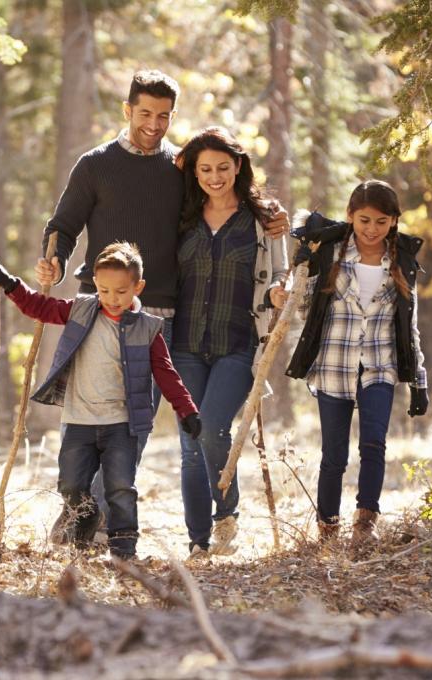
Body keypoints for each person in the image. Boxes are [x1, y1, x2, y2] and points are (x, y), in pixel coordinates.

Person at [36, 70, 289, 540]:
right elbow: (64, 225)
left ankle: (93, 518)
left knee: (136, 424)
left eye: (164, 116)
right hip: (101, 311)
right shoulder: (94, 165)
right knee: (94, 417)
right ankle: (80, 510)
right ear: (127, 110)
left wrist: (272, 214)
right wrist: (52, 258)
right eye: (146, 113)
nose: (154, 124)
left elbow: (226, 200)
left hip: (161, 319)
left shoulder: (179, 168)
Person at [0, 242, 202, 560]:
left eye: (120, 291)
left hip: (121, 424)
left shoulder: (148, 328)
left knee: (120, 489)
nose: (112, 299)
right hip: (79, 421)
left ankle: (124, 549)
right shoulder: (82, 310)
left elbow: (166, 374)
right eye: (104, 290)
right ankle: (86, 516)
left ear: (138, 287)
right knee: (70, 485)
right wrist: (10, 284)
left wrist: (187, 410)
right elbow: (40, 308)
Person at [286, 180, 429, 554]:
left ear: (394, 221)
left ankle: (365, 522)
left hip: (379, 366)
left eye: (382, 222)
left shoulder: (402, 262)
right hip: (334, 365)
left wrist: (419, 382)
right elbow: (304, 306)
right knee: (334, 454)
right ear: (350, 216)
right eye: (364, 220)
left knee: (374, 444)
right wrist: (299, 274)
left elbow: (409, 325)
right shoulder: (331, 252)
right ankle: (327, 527)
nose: (371, 229)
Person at [170, 127, 290, 560]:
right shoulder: (182, 214)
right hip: (183, 344)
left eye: (223, 166)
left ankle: (226, 514)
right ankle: (198, 541)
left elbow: (282, 271)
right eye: (205, 168)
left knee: (213, 428)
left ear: (239, 166)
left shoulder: (263, 220)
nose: (214, 176)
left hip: (238, 343)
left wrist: (280, 290)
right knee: (189, 443)